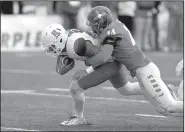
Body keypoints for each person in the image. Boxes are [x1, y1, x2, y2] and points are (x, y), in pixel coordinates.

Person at [83, 6, 183, 118]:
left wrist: (86, 60)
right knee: (163, 110)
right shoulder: (114, 25)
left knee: (170, 106)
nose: (92, 27)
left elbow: (104, 57)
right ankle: (167, 90)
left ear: (101, 23)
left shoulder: (111, 33)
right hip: (142, 73)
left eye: (93, 24)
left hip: (146, 72)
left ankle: (168, 91)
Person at [41, 24, 145, 125]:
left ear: (59, 40)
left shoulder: (76, 45)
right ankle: (151, 86)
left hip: (109, 62)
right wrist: (61, 68)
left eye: (51, 47)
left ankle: (78, 118)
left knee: (75, 88)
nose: (51, 50)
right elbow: (60, 67)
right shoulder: (67, 40)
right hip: (111, 60)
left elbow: (102, 58)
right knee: (127, 89)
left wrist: (86, 71)